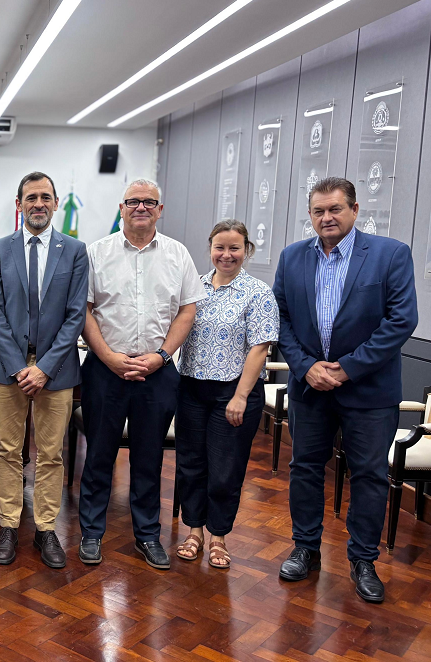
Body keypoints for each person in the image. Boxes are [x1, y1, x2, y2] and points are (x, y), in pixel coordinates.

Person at [273, 176, 417, 603]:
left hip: (369, 392)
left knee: (370, 475)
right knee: (305, 469)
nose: (326, 217)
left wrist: (347, 369)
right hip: (310, 388)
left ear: (354, 210)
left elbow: (401, 321)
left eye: (335, 209)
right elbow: (279, 318)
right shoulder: (292, 257)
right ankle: (305, 548)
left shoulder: (390, 254)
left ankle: (363, 560)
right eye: (318, 211)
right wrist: (305, 366)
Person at [78, 179, 204, 570]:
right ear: (121, 208)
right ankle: (91, 533)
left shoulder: (177, 254)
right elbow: (83, 311)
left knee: (149, 459)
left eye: (149, 202)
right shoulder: (96, 253)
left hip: (158, 371)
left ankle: (147, 535)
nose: (141, 208)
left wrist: (162, 356)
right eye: (133, 201)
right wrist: (110, 357)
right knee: (99, 455)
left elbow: (187, 310)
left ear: (160, 210)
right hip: (104, 370)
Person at [0, 171, 88, 569]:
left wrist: (43, 368)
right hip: (7, 367)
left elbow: (76, 315)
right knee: (8, 450)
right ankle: (9, 525)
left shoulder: (75, 250)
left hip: (56, 369)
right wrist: (18, 367)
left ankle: (46, 529)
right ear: (19, 204)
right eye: (31, 197)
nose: (38, 204)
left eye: (45, 197)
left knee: (50, 454)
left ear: (56, 203)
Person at [174, 220, 278, 568]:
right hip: (191, 387)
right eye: (220, 247)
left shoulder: (258, 292)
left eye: (234, 248)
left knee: (224, 469)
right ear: (210, 248)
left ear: (246, 250)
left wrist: (240, 397)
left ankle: (218, 536)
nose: (226, 254)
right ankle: (194, 532)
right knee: (191, 465)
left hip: (234, 393)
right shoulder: (194, 287)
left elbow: (259, 348)